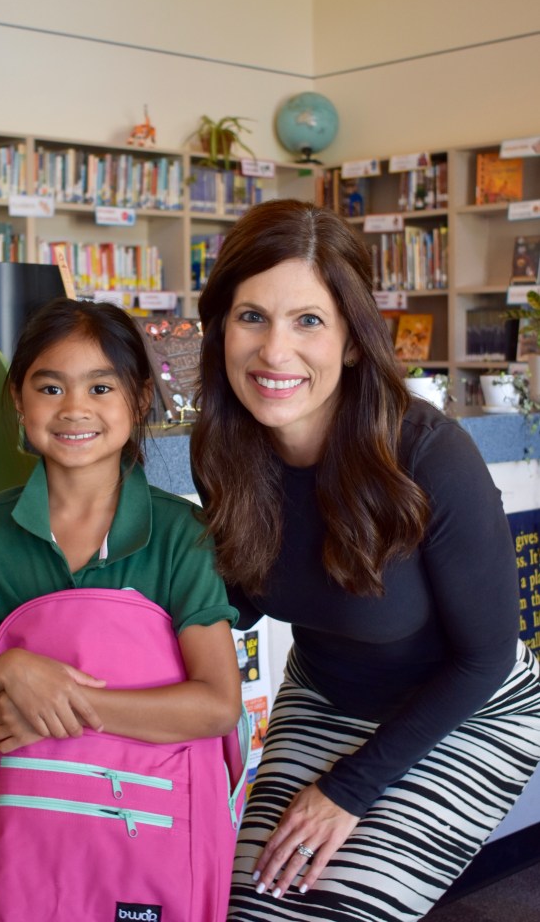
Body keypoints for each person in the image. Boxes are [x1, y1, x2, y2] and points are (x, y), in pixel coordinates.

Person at [190, 198, 540, 922]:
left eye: (308, 321)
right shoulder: (223, 449)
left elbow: (485, 658)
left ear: (352, 340)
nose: (274, 351)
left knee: (332, 911)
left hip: (468, 706)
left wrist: (348, 789)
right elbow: (243, 599)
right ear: (221, 327)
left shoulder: (428, 454)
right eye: (252, 316)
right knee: (251, 907)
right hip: (324, 698)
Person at [0, 296, 241, 910]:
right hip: (28, 842)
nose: (74, 408)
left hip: (150, 838)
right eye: (50, 388)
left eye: (101, 387)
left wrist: (62, 705)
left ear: (140, 399)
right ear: (19, 400)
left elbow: (217, 706)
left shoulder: (182, 535)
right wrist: (10, 672)